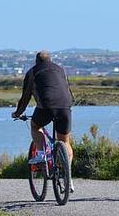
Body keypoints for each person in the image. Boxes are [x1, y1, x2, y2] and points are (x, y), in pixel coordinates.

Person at [12, 51, 74, 191]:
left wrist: (17, 113)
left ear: (36, 61)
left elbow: (25, 97)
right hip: (65, 106)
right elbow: (67, 90)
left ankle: (40, 154)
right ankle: (68, 178)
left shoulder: (33, 72)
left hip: (46, 107)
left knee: (35, 126)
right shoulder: (60, 70)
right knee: (65, 142)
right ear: (50, 60)